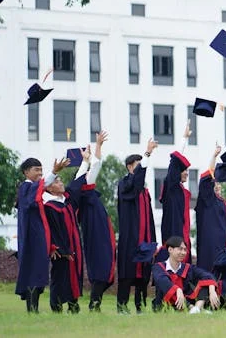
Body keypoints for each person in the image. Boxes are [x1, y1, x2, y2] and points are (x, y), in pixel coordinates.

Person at [65, 132, 116, 312]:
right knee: (103, 268)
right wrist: (98, 146)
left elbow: (90, 169)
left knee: (103, 268)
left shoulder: (82, 193)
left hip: (96, 231)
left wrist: (86, 159)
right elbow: (96, 166)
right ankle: (95, 304)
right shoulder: (83, 191)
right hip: (97, 233)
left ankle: (95, 304)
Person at [15, 157, 65, 313]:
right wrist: (54, 171)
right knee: (32, 273)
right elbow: (40, 187)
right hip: (31, 239)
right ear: (26, 172)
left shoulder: (32, 188)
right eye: (36, 170)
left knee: (37, 273)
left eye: (41, 170)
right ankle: (32, 310)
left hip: (37, 239)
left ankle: (34, 309)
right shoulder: (26, 187)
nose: (40, 173)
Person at [116, 138, 158, 314]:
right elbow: (136, 182)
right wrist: (147, 153)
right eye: (138, 166)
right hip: (130, 238)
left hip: (144, 237)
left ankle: (139, 306)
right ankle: (121, 306)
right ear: (129, 167)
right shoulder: (124, 184)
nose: (141, 170)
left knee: (143, 274)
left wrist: (153, 241)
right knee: (128, 273)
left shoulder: (145, 192)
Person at [43, 166, 83, 313]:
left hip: (74, 248)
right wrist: (60, 249)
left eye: (60, 181)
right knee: (59, 279)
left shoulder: (67, 203)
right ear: (49, 189)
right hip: (60, 251)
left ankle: (73, 305)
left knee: (73, 277)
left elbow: (77, 183)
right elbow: (53, 230)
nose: (61, 183)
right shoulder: (50, 207)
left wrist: (85, 161)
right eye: (56, 182)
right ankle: (56, 307)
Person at [151, 236, 220, 314]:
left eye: (185, 250)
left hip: (186, 300)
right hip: (165, 304)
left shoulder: (188, 268)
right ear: (170, 249)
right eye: (180, 249)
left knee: (207, 283)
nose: (183, 253)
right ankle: (193, 309)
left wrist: (212, 290)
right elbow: (162, 281)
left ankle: (197, 308)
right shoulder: (158, 267)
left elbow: (206, 275)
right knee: (167, 288)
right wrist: (177, 289)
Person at [195, 143, 226, 272]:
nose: (217, 186)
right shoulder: (208, 199)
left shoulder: (223, 202)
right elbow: (208, 178)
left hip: (224, 245)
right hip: (211, 245)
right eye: (214, 183)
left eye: (219, 183)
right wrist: (214, 156)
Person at [160, 122, 193, 262]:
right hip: (173, 234)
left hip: (183, 235)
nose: (186, 174)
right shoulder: (171, 187)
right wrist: (184, 139)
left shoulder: (181, 190)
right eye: (184, 171)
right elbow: (174, 164)